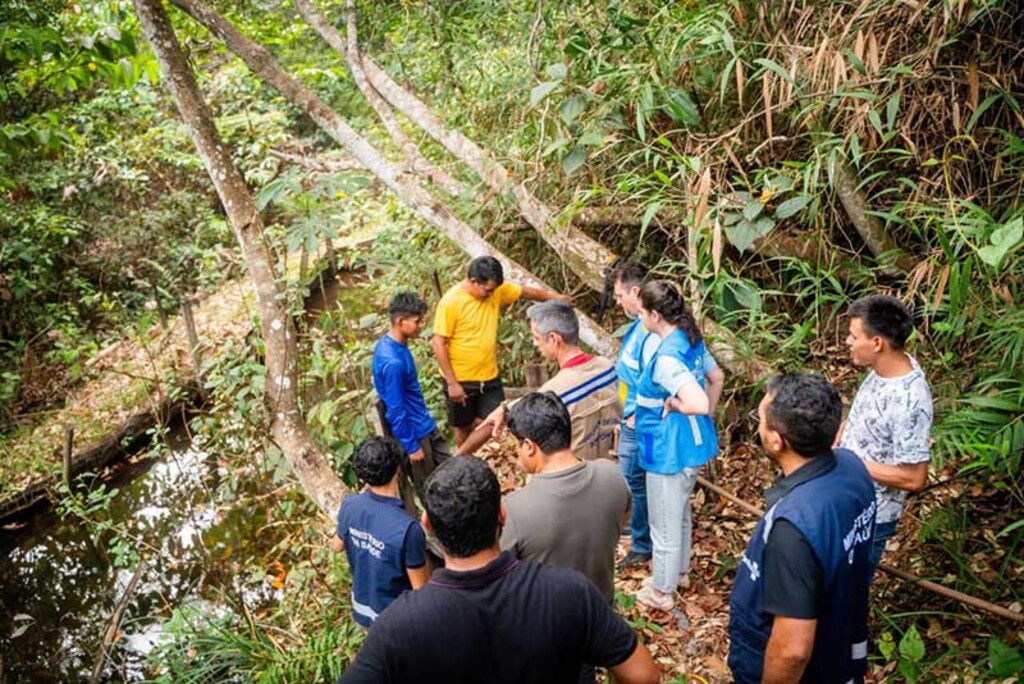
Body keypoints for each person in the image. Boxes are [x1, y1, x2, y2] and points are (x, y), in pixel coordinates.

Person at [338, 457, 660, 684]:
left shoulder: (398, 626)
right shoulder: (570, 592)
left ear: (428, 526)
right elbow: (643, 675)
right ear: (502, 516)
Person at [729, 373, 876, 684]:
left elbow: (792, 650)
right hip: (840, 649)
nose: (758, 426)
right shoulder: (853, 467)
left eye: (761, 420)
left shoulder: (793, 527)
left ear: (776, 440)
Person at [632, 280, 724, 610]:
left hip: (669, 447)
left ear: (655, 315)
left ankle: (661, 592)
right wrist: (706, 417)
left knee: (663, 521)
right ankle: (677, 573)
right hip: (692, 444)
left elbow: (697, 400)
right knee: (679, 511)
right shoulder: (690, 337)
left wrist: (678, 405)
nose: (639, 317)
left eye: (641, 312)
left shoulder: (667, 358)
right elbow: (717, 378)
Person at [499, 392, 630, 603]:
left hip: (549, 625)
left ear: (529, 446)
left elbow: (501, 578)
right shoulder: (612, 475)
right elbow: (622, 520)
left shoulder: (513, 510)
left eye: (517, 445)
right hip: (603, 612)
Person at [432, 255, 571, 447]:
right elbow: (438, 343)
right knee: (462, 426)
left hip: (489, 375)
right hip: (461, 378)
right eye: (487, 290)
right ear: (473, 281)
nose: (491, 294)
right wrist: (452, 383)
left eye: (494, 290)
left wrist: (555, 298)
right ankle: (462, 463)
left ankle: (489, 458)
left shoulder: (495, 291)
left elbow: (525, 292)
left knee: (499, 418)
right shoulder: (451, 302)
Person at [838, 294, 932, 574]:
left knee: (845, 599)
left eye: (854, 336)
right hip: (846, 501)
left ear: (877, 343)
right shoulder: (885, 368)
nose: (848, 342)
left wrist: (847, 461)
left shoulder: (909, 401)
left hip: (870, 517)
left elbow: (914, 477)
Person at [455, 300, 620, 459]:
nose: (535, 343)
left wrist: (458, 457)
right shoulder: (608, 367)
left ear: (554, 339)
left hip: (578, 476)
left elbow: (536, 403)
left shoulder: (556, 393)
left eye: (537, 338)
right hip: (615, 469)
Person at [332, 437, 430, 629]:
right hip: (397, 622)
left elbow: (336, 546)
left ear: (362, 476)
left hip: (362, 612)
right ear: (398, 470)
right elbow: (421, 591)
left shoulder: (350, 504)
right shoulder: (408, 529)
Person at [372, 292, 451, 504]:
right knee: (431, 490)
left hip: (424, 423)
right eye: (417, 321)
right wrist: (411, 446)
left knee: (450, 472)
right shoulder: (393, 362)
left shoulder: (395, 345)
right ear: (400, 321)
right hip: (415, 433)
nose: (420, 326)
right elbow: (395, 409)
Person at [612, 261, 654, 569]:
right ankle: (637, 531)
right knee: (632, 481)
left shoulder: (651, 330)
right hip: (629, 415)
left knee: (634, 482)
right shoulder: (637, 325)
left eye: (619, 295)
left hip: (638, 420)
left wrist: (634, 416)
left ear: (635, 291)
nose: (617, 301)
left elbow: (654, 377)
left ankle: (642, 543)